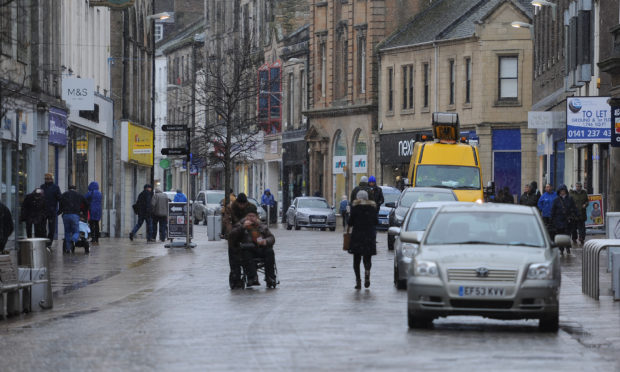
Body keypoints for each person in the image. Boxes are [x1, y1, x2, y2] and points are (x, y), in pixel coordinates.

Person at [229, 211, 277, 287]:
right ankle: (252, 277)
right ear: (246, 217)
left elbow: (271, 237)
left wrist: (266, 241)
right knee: (246, 253)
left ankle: (270, 277)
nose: (251, 218)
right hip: (247, 249)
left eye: (253, 216)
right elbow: (231, 236)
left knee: (269, 252)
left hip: (260, 248)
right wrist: (242, 227)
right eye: (249, 216)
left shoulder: (261, 226)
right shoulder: (240, 225)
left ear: (256, 217)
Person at [224, 193, 258, 287]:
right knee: (233, 251)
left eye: (243, 204)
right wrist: (233, 232)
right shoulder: (230, 208)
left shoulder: (251, 207)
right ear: (237, 202)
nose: (242, 206)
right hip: (235, 235)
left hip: (248, 235)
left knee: (250, 249)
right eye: (240, 204)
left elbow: (256, 222)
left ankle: (252, 275)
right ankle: (236, 277)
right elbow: (227, 223)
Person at [346, 190, 377, 289]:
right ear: (367, 198)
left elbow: (350, 223)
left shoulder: (355, 208)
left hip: (357, 236)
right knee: (367, 258)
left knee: (356, 260)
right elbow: (376, 222)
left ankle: (358, 281)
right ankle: (367, 271)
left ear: (358, 197)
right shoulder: (372, 208)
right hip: (369, 236)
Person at [59, 185, 87, 254]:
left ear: (68, 189)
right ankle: (73, 239)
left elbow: (60, 205)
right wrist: (83, 211)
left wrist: (59, 212)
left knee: (67, 232)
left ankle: (68, 249)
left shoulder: (64, 195)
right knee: (76, 232)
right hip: (75, 215)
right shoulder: (79, 195)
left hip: (65, 215)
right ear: (75, 189)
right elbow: (86, 203)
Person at [551, 184, 578, 255]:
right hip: (559, 220)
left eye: (563, 191)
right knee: (560, 234)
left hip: (568, 220)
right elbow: (553, 210)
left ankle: (568, 247)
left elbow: (574, 208)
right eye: (561, 191)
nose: (562, 192)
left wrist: (575, 215)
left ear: (565, 191)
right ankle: (561, 249)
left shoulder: (570, 199)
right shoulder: (556, 200)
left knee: (568, 234)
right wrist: (552, 220)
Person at [41, 173, 62, 248]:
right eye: (46, 179)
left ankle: (49, 242)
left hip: (51, 210)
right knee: (43, 227)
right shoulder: (42, 187)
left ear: (52, 179)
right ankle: (45, 240)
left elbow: (60, 198)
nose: (47, 180)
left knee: (51, 228)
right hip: (43, 210)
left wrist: (60, 210)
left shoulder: (55, 187)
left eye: (48, 179)